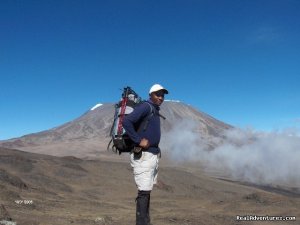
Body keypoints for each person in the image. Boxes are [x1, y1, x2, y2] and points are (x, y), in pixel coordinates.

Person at [122, 84, 169, 225]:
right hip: (144, 156)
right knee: (143, 192)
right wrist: (138, 140)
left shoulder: (154, 109)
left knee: (147, 191)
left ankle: (145, 222)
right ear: (151, 95)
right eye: (157, 94)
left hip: (151, 155)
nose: (160, 97)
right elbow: (126, 121)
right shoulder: (145, 107)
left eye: (162, 95)